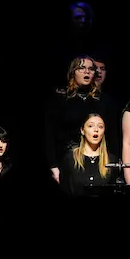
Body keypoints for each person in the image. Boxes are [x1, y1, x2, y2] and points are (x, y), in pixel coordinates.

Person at [45, 55, 99, 183]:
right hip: (67, 159)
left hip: (96, 159)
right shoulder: (60, 100)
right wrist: (53, 165)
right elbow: (49, 134)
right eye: (81, 68)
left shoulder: (101, 101)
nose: (87, 72)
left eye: (90, 69)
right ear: (73, 72)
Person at [58, 113, 111, 196]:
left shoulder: (111, 161)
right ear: (82, 130)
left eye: (100, 126)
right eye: (90, 126)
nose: (96, 129)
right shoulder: (70, 158)